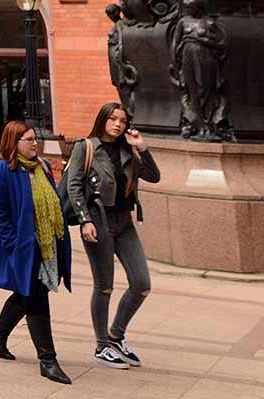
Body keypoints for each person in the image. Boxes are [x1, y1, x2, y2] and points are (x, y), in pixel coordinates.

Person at [64, 102, 160, 370]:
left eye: (122, 120)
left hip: (125, 223)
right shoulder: (87, 147)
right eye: (112, 119)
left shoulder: (127, 149)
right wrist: (84, 221)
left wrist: (141, 146)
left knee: (141, 283)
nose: (118, 124)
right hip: (98, 221)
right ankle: (101, 345)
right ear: (103, 120)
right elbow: (74, 186)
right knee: (104, 286)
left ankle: (116, 335)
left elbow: (154, 176)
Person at [0, 119, 73, 385]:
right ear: (13, 143)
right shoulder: (0, 171)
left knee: (28, 292)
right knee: (35, 296)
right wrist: (14, 245)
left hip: (44, 244)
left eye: (36, 139)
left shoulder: (43, 167)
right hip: (21, 247)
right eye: (29, 139)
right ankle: (48, 360)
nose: (35, 143)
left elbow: (52, 204)